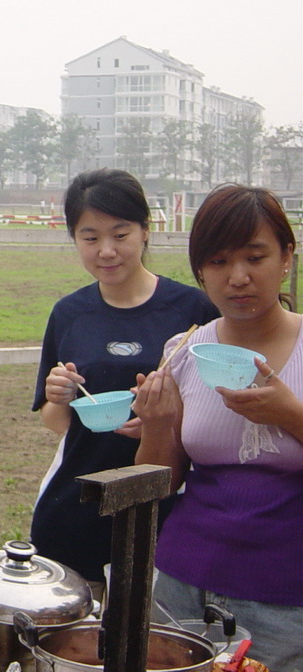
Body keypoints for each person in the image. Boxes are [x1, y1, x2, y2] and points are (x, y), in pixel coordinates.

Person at [134, 184, 303, 670]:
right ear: (200, 271)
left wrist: (289, 413)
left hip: (286, 599)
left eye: (256, 257)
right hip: (182, 587)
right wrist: (158, 424)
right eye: (218, 262)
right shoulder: (183, 351)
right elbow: (158, 483)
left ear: (287, 256)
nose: (238, 278)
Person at [31, 169, 217, 592]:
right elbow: (57, 424)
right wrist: (58, 396)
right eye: (90, 237)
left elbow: (217, 416)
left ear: (145, 232)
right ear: (74, 238)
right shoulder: (68, 313)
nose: (107, 251)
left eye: (121, 234)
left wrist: (163, 422)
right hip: (75, 512)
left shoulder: (194, 311)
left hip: (165, 515)